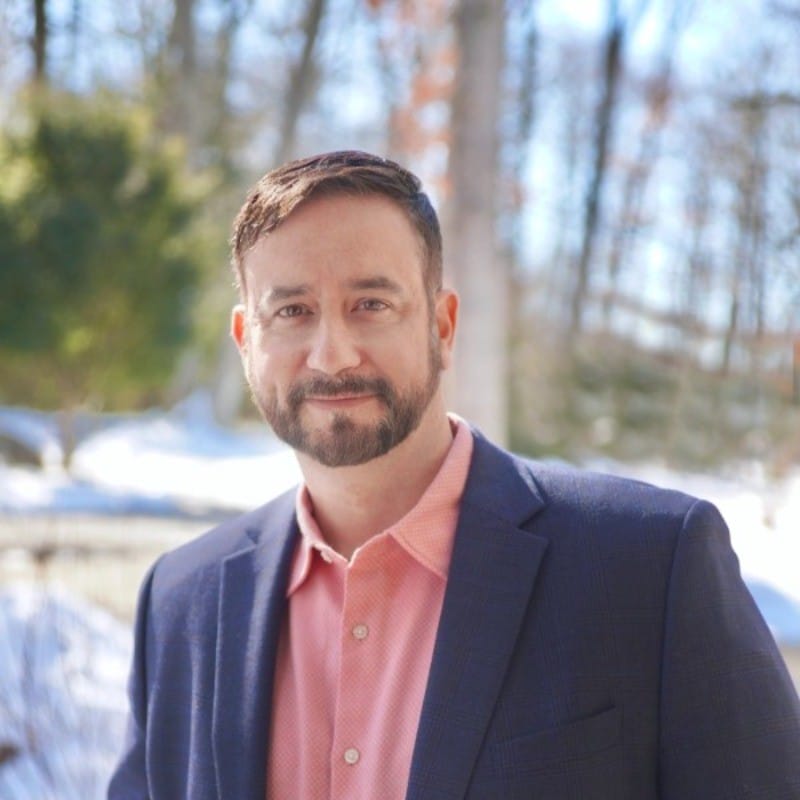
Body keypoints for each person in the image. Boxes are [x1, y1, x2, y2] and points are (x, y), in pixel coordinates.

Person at [108, 150, 800, 800]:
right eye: (292, 311)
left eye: (371, 304)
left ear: (442, 327)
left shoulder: (650, 563)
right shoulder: (182, 602)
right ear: (245, 342)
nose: (332, 354)